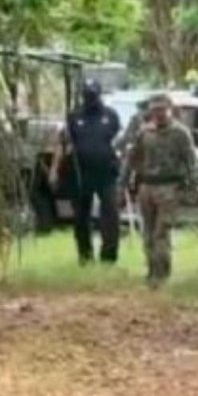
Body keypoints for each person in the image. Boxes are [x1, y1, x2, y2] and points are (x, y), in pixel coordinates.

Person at [119, 93, 198, 289]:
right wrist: (122, 184)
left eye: (162, 109)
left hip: (169, 188)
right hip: (146, 186)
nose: (158, 114)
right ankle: (151, 270)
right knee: (148, 232)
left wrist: (192, 187)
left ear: (170, 109)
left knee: (161, 232)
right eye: (154, 110)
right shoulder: (144, 133)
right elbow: (131, 159)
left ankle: (161, 274)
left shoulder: (180, 133)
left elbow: (191, 161)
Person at [50, 79, 124, 265]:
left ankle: (109, 256)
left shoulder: (111, 115)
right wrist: (54, 170)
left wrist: (124, 166)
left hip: (106, 173)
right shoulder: (74, 117)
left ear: (99, 94)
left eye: (93, 95)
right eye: (87, 95)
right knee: (81, 216)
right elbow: (62, 144)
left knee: (111, 213)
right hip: (80, 173)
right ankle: (85, 255)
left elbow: (120, 142)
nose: (91, 98)